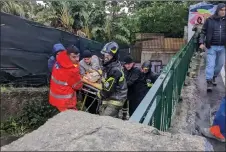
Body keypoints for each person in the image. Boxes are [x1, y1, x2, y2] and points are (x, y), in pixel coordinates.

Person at [96, 41, 128, 118]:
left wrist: (100, 94)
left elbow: (108, 90)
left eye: (108, 55)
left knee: (104, 120)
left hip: (115, 100)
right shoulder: (109, 66)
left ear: (114, 56)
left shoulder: (115, 70)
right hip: (110, 98)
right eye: (105, 55)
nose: (105, 57)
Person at [199, 3, 226, 92]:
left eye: (225, 10)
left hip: (223, 47)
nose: (223, 12)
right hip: (211, 47)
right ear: (217, 10)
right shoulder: (210, 20)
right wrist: (201, 42)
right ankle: (209, 81)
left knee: (220, 65)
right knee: (211, 64)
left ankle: (214, 76)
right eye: (221, 10)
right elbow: (203, 32)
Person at [49, 45, 83, 112]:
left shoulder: (58, 61)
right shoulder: (71, 71)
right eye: (74, 57)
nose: (77, 59)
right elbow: (78, 86)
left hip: (56, 97)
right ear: (68, 56)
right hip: (66, 102)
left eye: (78, 56)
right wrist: (80, 78)